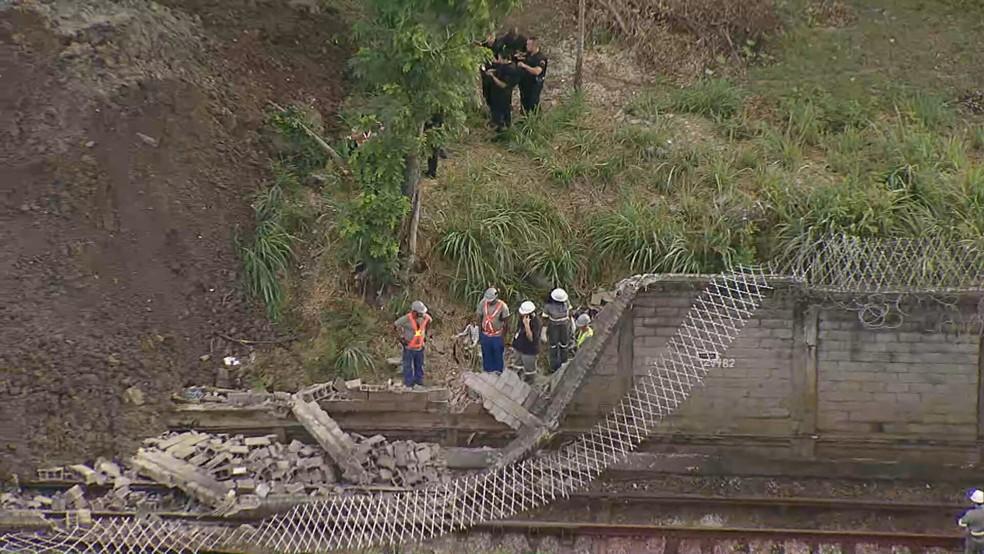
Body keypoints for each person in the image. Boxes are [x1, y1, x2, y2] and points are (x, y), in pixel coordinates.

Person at [393, 301, 432, 388]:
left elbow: (429, 321)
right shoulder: (406, 319)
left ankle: (419, 383)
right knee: (408, 367)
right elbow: (395, 325)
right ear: (414, 312)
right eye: (419, 314)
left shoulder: (424, 317)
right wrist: (400, 339)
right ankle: (409, 384)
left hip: (420, 347)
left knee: (419, 365)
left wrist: (425, 335)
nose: (421, 315)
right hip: (409, 347)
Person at [485, 52, 522, 132]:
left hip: (503, 95)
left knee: (502, 111)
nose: (498, 60)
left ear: (504, 59)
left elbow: (503, 85)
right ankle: (497, 124)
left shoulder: (511, 70)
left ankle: (502, 128)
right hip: (497, 94)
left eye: (499, 58)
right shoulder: (505, 66)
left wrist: (492, 76)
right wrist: (494, 71)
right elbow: (500, 70)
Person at [477, 287, 510, 374]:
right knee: (486, 354)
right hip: (485, 334)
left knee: (497, 354)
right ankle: (487, 371)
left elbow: (506, 323)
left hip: (497, 335)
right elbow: (479, 318)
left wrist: (503, 337)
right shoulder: (482, 303)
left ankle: (498, 372)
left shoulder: (503, 306)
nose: (489, 302)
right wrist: (480, 333)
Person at [543, 288, 573, 373]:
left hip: (565, 326)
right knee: (553, 346)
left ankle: (564, 363)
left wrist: (572, 322)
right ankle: (553, 366)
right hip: (554, 327)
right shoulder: (548, 306)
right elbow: (545, 319)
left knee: (564, 344)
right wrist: (544, 330)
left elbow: (570, 312)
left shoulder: (566, 302)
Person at [516, 36, 547, 114]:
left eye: (528, 45)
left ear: (534, 46)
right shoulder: (529, 55)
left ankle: (536, 120)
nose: (526, 46)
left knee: (533, 103)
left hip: (534, 85)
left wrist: (524, 66)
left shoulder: (541, 58)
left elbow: (537, 71)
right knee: (524, 102)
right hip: (525, 84)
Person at [513, 300, 542, 384]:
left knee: (529, 370)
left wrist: (527, 325)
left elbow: (531, 338)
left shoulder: (536, 323)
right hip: (519, 346)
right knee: (518, 365)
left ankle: (528, 382)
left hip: (529, 351)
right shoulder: (521, 318)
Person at [423, 113, 445, 179]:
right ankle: (431, 171)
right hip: (434, 125)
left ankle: (432, 172)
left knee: (433, 151)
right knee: (432, 151)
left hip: (434, 126)